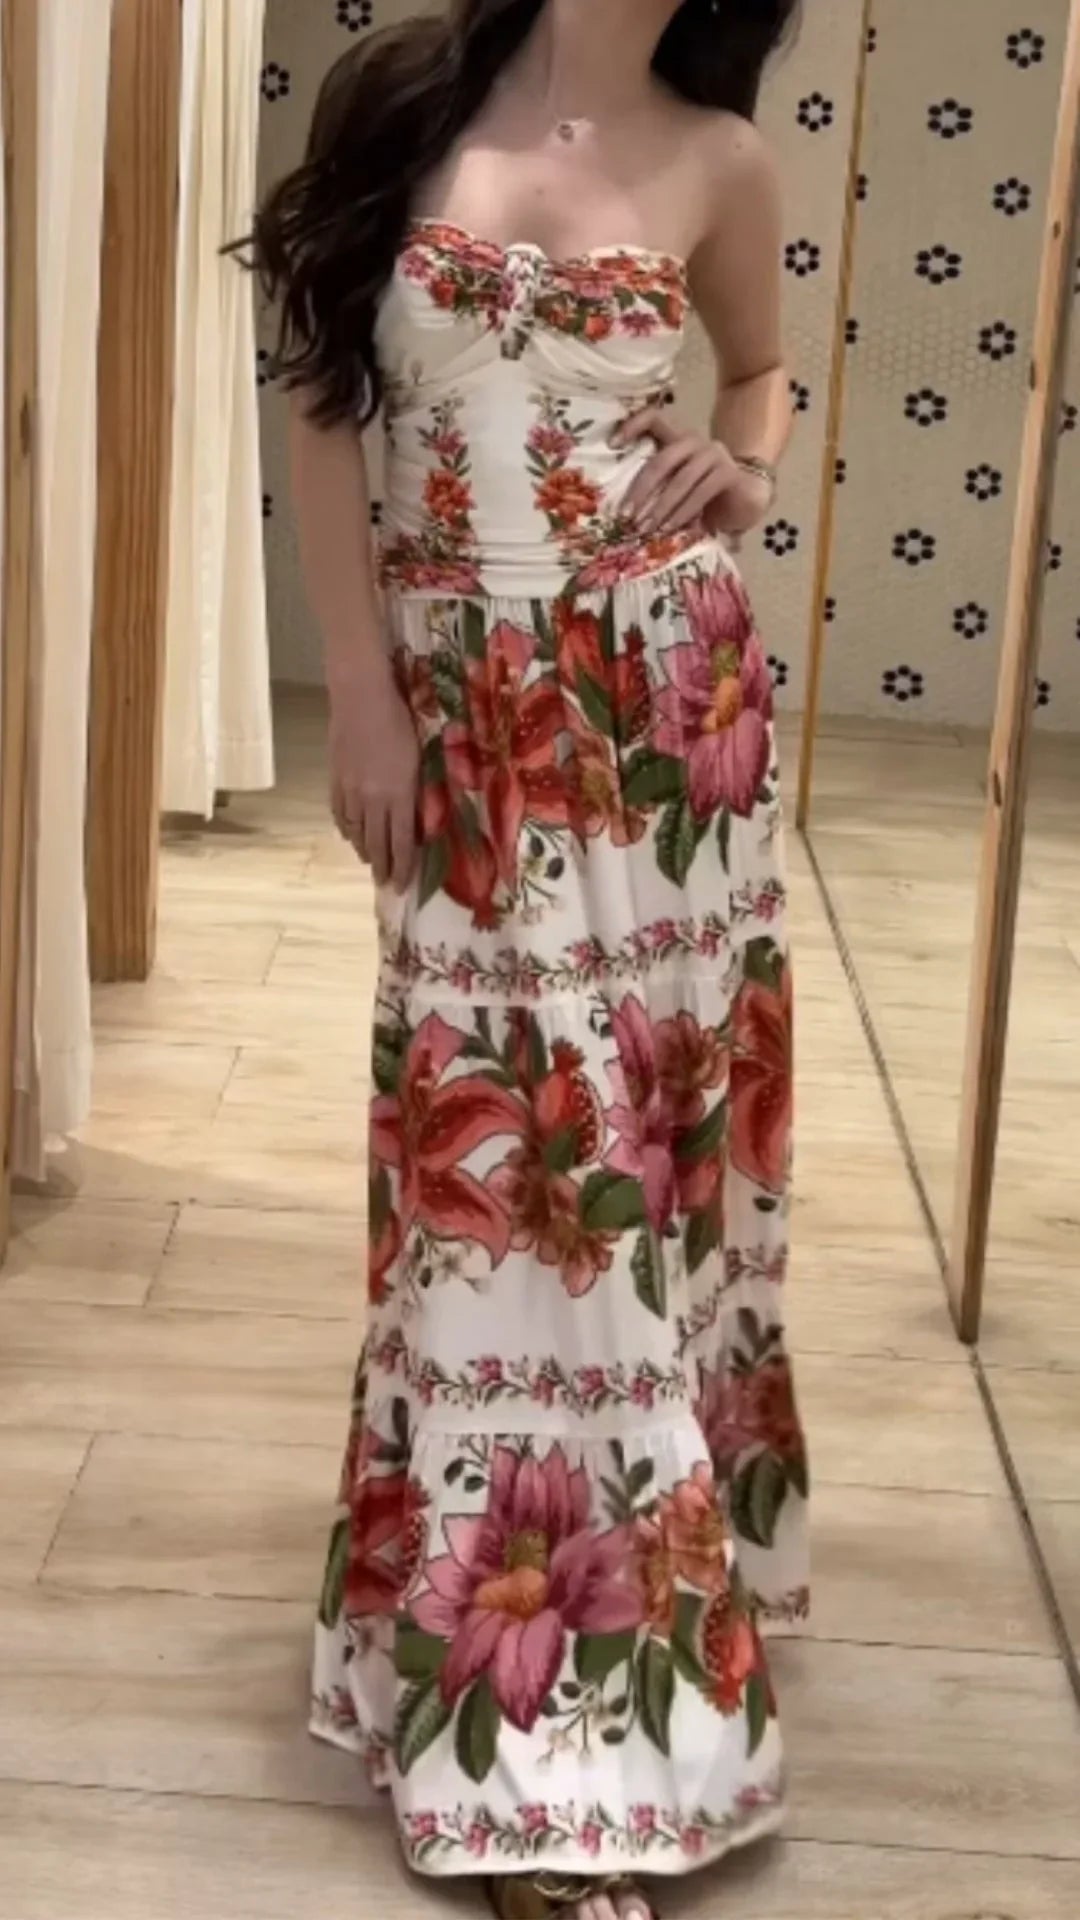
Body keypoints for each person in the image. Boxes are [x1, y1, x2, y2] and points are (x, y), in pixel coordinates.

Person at [253, 3, 808, 1915]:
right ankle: (534, 1710)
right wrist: (362, 692)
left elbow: (765, 370)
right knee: (502, 1178)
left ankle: (604, 1697)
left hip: (666, 721)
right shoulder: (408, 97)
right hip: (464, 712)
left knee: (629, 1172)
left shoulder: (721, 156)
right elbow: (326, 399)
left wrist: (745, 465)